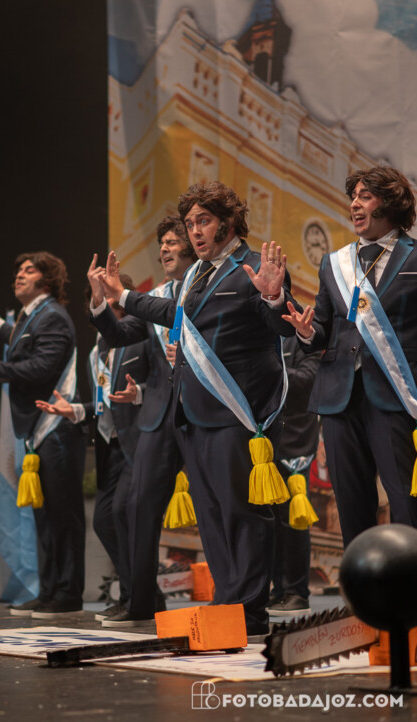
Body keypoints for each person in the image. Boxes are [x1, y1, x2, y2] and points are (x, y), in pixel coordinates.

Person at [91, 182, 300, 635]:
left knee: (242, 513)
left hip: (238, 413)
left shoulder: (252, 267)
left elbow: (286, 325)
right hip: (194, 416)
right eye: (189, 224)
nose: (195, 231)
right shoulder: (195, 275)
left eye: (203, 221)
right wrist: (121, 297)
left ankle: (250, 612)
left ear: (228, 222)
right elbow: (173, 314)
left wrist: (274, 297)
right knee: (212, 516)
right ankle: (228, 603)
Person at [284, 165, 417, 547]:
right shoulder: (334, 263)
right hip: (339, 398)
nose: (354, 205)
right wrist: (306, 331)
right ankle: (360, 583)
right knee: (351, 508)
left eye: (365, 197)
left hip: (397, 397)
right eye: (353, 197)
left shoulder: (414, 258)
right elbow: (321, 331)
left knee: (406, 506)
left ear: (389, 202)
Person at [88, 216, 196, 626]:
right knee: (135, 509)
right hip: (158, 420)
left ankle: (236, 604)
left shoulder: (207, 288)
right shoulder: (156, 299)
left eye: (172, 241)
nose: (164, 248)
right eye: (161, 242)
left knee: (218, 507)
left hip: (205, 414)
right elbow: (117, 335)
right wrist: (100, 301)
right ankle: (141, 603)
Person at [0, 252, 86, 617]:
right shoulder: (32, 317)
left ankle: (67, 594)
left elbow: (42, 365)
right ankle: (49, 591)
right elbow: (24, 342)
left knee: (62, 516)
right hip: (39, 430)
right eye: (18, 269)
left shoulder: (53, 316)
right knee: (45, 517)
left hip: (57, 429)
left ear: (46, 281)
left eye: (28, 270)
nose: (19, 274)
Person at [35, 277, 149, 621]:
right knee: (103, 521)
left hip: (138, 440)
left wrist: (139, 392)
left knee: (123, 513)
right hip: (107, 444)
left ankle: (137, 597)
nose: (104, 306)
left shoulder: (142, 336)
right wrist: (76, 411)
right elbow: (103, 402)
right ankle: (138, 594)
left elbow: (160, 383)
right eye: (97, 301)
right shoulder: (95, 351)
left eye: (109, 299)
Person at [267, 336, 321, 616]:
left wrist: (263, 367)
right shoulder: (261, 334)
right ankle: (278, 590)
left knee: (292, 519)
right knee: (270, 521)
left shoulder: (303, 338)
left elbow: (306, 380)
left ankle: (296, 592)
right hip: (263, 441)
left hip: (294, 441)